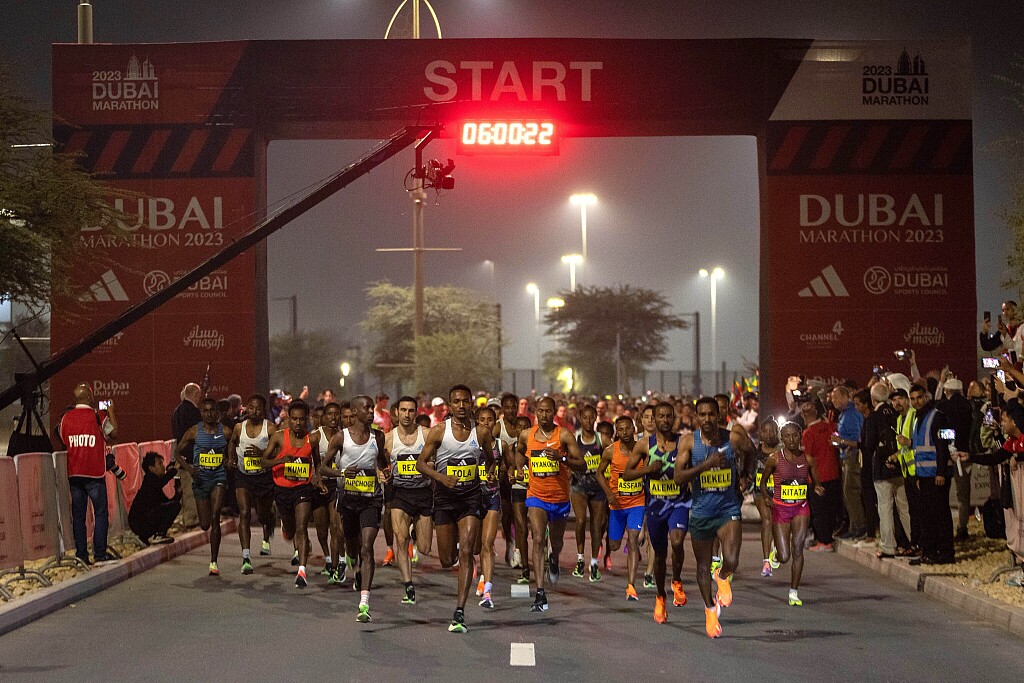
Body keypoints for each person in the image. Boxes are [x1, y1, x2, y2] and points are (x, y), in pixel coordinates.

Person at [417, 385, 496, 633]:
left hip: (470, 497)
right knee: (446, 559)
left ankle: (459, 611)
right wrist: (442, 478)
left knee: (467, 553)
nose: (461, 406)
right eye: (457, 402)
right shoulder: (439, 431)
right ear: (450, 406)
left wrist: (490, 473)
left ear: (471, 403)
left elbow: (491, 459)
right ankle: (459, 553)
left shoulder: (481, 432)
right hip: (444, 498)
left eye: (465, 401)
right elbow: (421, 464)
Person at [674, 396, 754, 639]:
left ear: (719, 415)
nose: (708, 418)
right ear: (696, 417)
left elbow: (751, 452)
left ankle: (722, 576)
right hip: (701, 512)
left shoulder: (733, 438)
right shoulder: (689, 441)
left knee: (732, 560)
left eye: (712, 414)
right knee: (702, 565)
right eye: (703, 414)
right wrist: (705, 465)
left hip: (727, 509)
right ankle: (710, 608)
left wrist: (746, 476)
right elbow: (678, 478)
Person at [513, 395, 585, 614]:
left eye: (548, 411)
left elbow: (581, 464)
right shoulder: (527, 435)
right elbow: (519, 450)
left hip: (559, 498)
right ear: (535, 412)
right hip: (536, 495)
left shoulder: (563, 435)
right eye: (540, 411)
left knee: (556, 541)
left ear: (553, 413)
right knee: (537, 538)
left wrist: (561, 459)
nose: (544, 415)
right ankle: (540, 592)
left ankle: (554, 559)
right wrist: (519, 469)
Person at [322, 396, 388, 622]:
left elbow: (382, 462)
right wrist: (341, 473)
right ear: (355, 411)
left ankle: (364, 603)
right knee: (352, 547)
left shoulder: (378, 437)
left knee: (367, 547)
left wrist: (385, 472)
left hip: (371, 499)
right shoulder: (342, 437)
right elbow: (323, 468)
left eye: (372, 408)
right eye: (366, 408)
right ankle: (353, 562)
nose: (371, 412)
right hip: (348, 499)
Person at [623, 402, 690, 624]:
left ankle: (677, 580)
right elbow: (627, 474)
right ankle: (661, 596)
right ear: (654, 419)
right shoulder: (644, 445)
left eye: (668, 416)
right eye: (660, 416)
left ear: (674, 418)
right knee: (660, 555)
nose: (664, 420)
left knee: (677, 541)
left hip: (678, 503)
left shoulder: (683, 442)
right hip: (655, 506)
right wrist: (647, 469)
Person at [759, 422, 824, 606]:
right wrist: (766, 497)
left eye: (795, 435)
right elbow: (763, 483)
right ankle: (776, 554)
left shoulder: (808, 459)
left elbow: (816, 482)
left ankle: (793, 592)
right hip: (780, 509)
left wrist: (818, 488)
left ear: (800, 436)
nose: (792, 440)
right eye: (787, 436)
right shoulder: (774, 459)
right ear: (782, 438)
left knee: (797, 549)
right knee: (785, 556)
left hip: (800, 508)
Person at [55, 384, 118, 565]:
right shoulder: (98, 416)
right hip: (94, 473)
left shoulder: (65, 418)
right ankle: (99, 553)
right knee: (100, 513)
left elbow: (62, 438)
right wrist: (111, 412)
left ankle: (81, 555)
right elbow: (114, 433)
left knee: (79, 517)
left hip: (75, 474)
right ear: (90, 398)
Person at [262, 400, 320, 588]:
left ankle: (302, 571)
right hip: (282, 489)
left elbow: (317, 463)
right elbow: (263, 461)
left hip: (302, 489)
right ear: (288, 419)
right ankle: (286, 527)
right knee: (291, 528)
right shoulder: (279, 437)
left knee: (302, 527)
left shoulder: (312, 440)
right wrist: (281, 460)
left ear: (306, 419)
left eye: (301, 419)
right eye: (294, 419)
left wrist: (317, 478)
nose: (298, 423)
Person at [385, 396, 434, 605]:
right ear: (396, 412)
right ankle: (408, 585)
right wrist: (382, 474)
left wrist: (431, 465)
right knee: (401, 539)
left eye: (411, 410)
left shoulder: (427, 434)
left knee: (424, 548)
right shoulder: (388, 439)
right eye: (403, 410)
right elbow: (379, 464)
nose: (406, 415)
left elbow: (438, 459)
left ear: (416, 412)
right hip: (400, 494)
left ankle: (415, 530)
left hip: (423, 493)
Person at [175, 397, 231, 576]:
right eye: (205, 411)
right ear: (200, 413)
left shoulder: (226, 432)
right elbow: (177, 453)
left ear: (218, 413)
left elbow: (233, 450)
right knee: (205, 524)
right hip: (200, 480)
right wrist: (189, 468)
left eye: (212, 410)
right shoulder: (193, 432)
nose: (209, 414)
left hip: (218, 477)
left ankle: (214, 561)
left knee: (215, 516)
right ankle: (212, 555)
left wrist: (229, 461)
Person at [595, 415, 644, 601]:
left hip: (637, 503)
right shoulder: (610, 451)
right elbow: (599, 473)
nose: (625, 433)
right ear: (617, 432)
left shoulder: (642, 449)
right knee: (614, 545)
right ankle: (613, 541)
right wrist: (608, 492)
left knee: (633, 541)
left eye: (628, 428)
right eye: (621, 430)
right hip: (617, 505)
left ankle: (631, 586)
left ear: (634, 429)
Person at [227, 394, 277, 573]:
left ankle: (268, 522)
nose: (254, 411)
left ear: (264, 411)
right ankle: (246, 557)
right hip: (243, 476)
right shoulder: (239, 427)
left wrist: (262, 453)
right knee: (245, 513)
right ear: (246, 408)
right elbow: (232, 443)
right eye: (251, 407)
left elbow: (278, 451)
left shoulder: (270, 428)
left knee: (262, 516)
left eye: (258, 408)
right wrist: (231, 458)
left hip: (263, 478)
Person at [908, 384, 955, 565]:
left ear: (925, 397)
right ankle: (929, 551)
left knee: (940, 515)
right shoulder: (918, 418)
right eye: (913, 399)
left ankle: (945, 553)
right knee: (927, 515)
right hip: (925, 475)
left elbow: (944, 445)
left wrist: (941, 472)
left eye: (919, 397)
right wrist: (918, 476)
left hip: (937, 475)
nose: (916, 402)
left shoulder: (938, 417)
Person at [864, 383, 911, 558]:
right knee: (904, 507)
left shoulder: (873, 417)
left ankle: (888, 546)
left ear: (873, 399)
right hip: (900, 465)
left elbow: (869, 445)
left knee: (885, 507)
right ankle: (913, 542)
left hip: (881, 469)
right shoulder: (897, 414)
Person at [570, 403, 608, 582]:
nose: (588, 421)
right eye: (585, 417)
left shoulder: (602, 439)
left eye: (591, 417)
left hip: (598, 487)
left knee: (596, 525)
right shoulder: (575, 438)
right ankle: (580, 559)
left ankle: (594, 563)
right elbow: (566, 457)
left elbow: (615, 456)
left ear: (595, 419)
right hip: (579, 486)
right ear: (580, 418)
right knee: (580, 521)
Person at [936, 375, 975, 540]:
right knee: (963, 494)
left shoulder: (942, 407)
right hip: (965, 454)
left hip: (945, 455)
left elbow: (941, 432)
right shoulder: (970, 406)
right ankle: (962, 527)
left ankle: (943, 529)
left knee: (942, 495)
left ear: (947, 391)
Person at [311, 402, 346, 584]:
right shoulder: (315, 437)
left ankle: (335, 565)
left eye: (336, 414)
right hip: (318, 486)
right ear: (324, 417)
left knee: (336, 526)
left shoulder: (344, 436)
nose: (333, 417)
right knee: (321, 529)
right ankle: (327, 557)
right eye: (330, 414)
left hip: (335, 486)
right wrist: (317, 479)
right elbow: (313, 462)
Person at [800, 398, 840, 551]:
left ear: (805, 415)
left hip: (817, 478)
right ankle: (827, 538)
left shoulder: (808, 433)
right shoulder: (828, 426)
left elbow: (806, 458)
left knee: (819, 511)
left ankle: (824, 541)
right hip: (833, 474)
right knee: (830, 509)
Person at [474, 405, 504, 608]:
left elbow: (511, 468)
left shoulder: (501, 446)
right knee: (474, 546)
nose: (486, 423)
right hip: (472, 498)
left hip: (492, 496)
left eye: (490, 420)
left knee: (487, 544)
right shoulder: (469, 444)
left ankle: (487, 592)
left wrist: (505, 474)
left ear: (495, 422)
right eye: (482, 420)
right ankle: (479, 572)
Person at [128, 451, 180, 545]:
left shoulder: (155, 484)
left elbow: (168, 505)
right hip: (139, 523)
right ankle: (159, 535)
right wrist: (174, 470)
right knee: (174, 506)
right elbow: (161, 482)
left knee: (175, 506)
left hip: (144, 522)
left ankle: (146, 538)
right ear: (151, 468)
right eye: (160, 464)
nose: (163, 466)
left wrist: (178, 493)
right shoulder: (149, 479)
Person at [170, 382, 202, 527]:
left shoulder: (177, 411)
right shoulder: (193, 411)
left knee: (187, 487)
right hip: (192, 456)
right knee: (191, 488)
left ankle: (191, 516)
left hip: (182, 456)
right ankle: (191, 518)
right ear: (196, 394)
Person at [753, 420, 782, 576]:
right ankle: (766, 562)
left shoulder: (783, 450)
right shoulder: (756, 450)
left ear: (777, 432)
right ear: (761, 433)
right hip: (760, 492)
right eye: (766, 431)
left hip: (780, 493)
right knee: (767, 520)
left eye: (772, 431)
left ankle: (777, 548)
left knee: (779, 523)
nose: (769, 435)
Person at [509, 414, 534, 583]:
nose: (523, 430)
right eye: (520, 427)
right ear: (515, 429)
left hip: (535, 490)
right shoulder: (511, 448)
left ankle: (545, 551)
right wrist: (511, 475)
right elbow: (508, 468)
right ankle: (525, 568)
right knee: (522, 528)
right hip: (518, 489)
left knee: (538, 531)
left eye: (526, 427)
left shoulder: (535, 446)